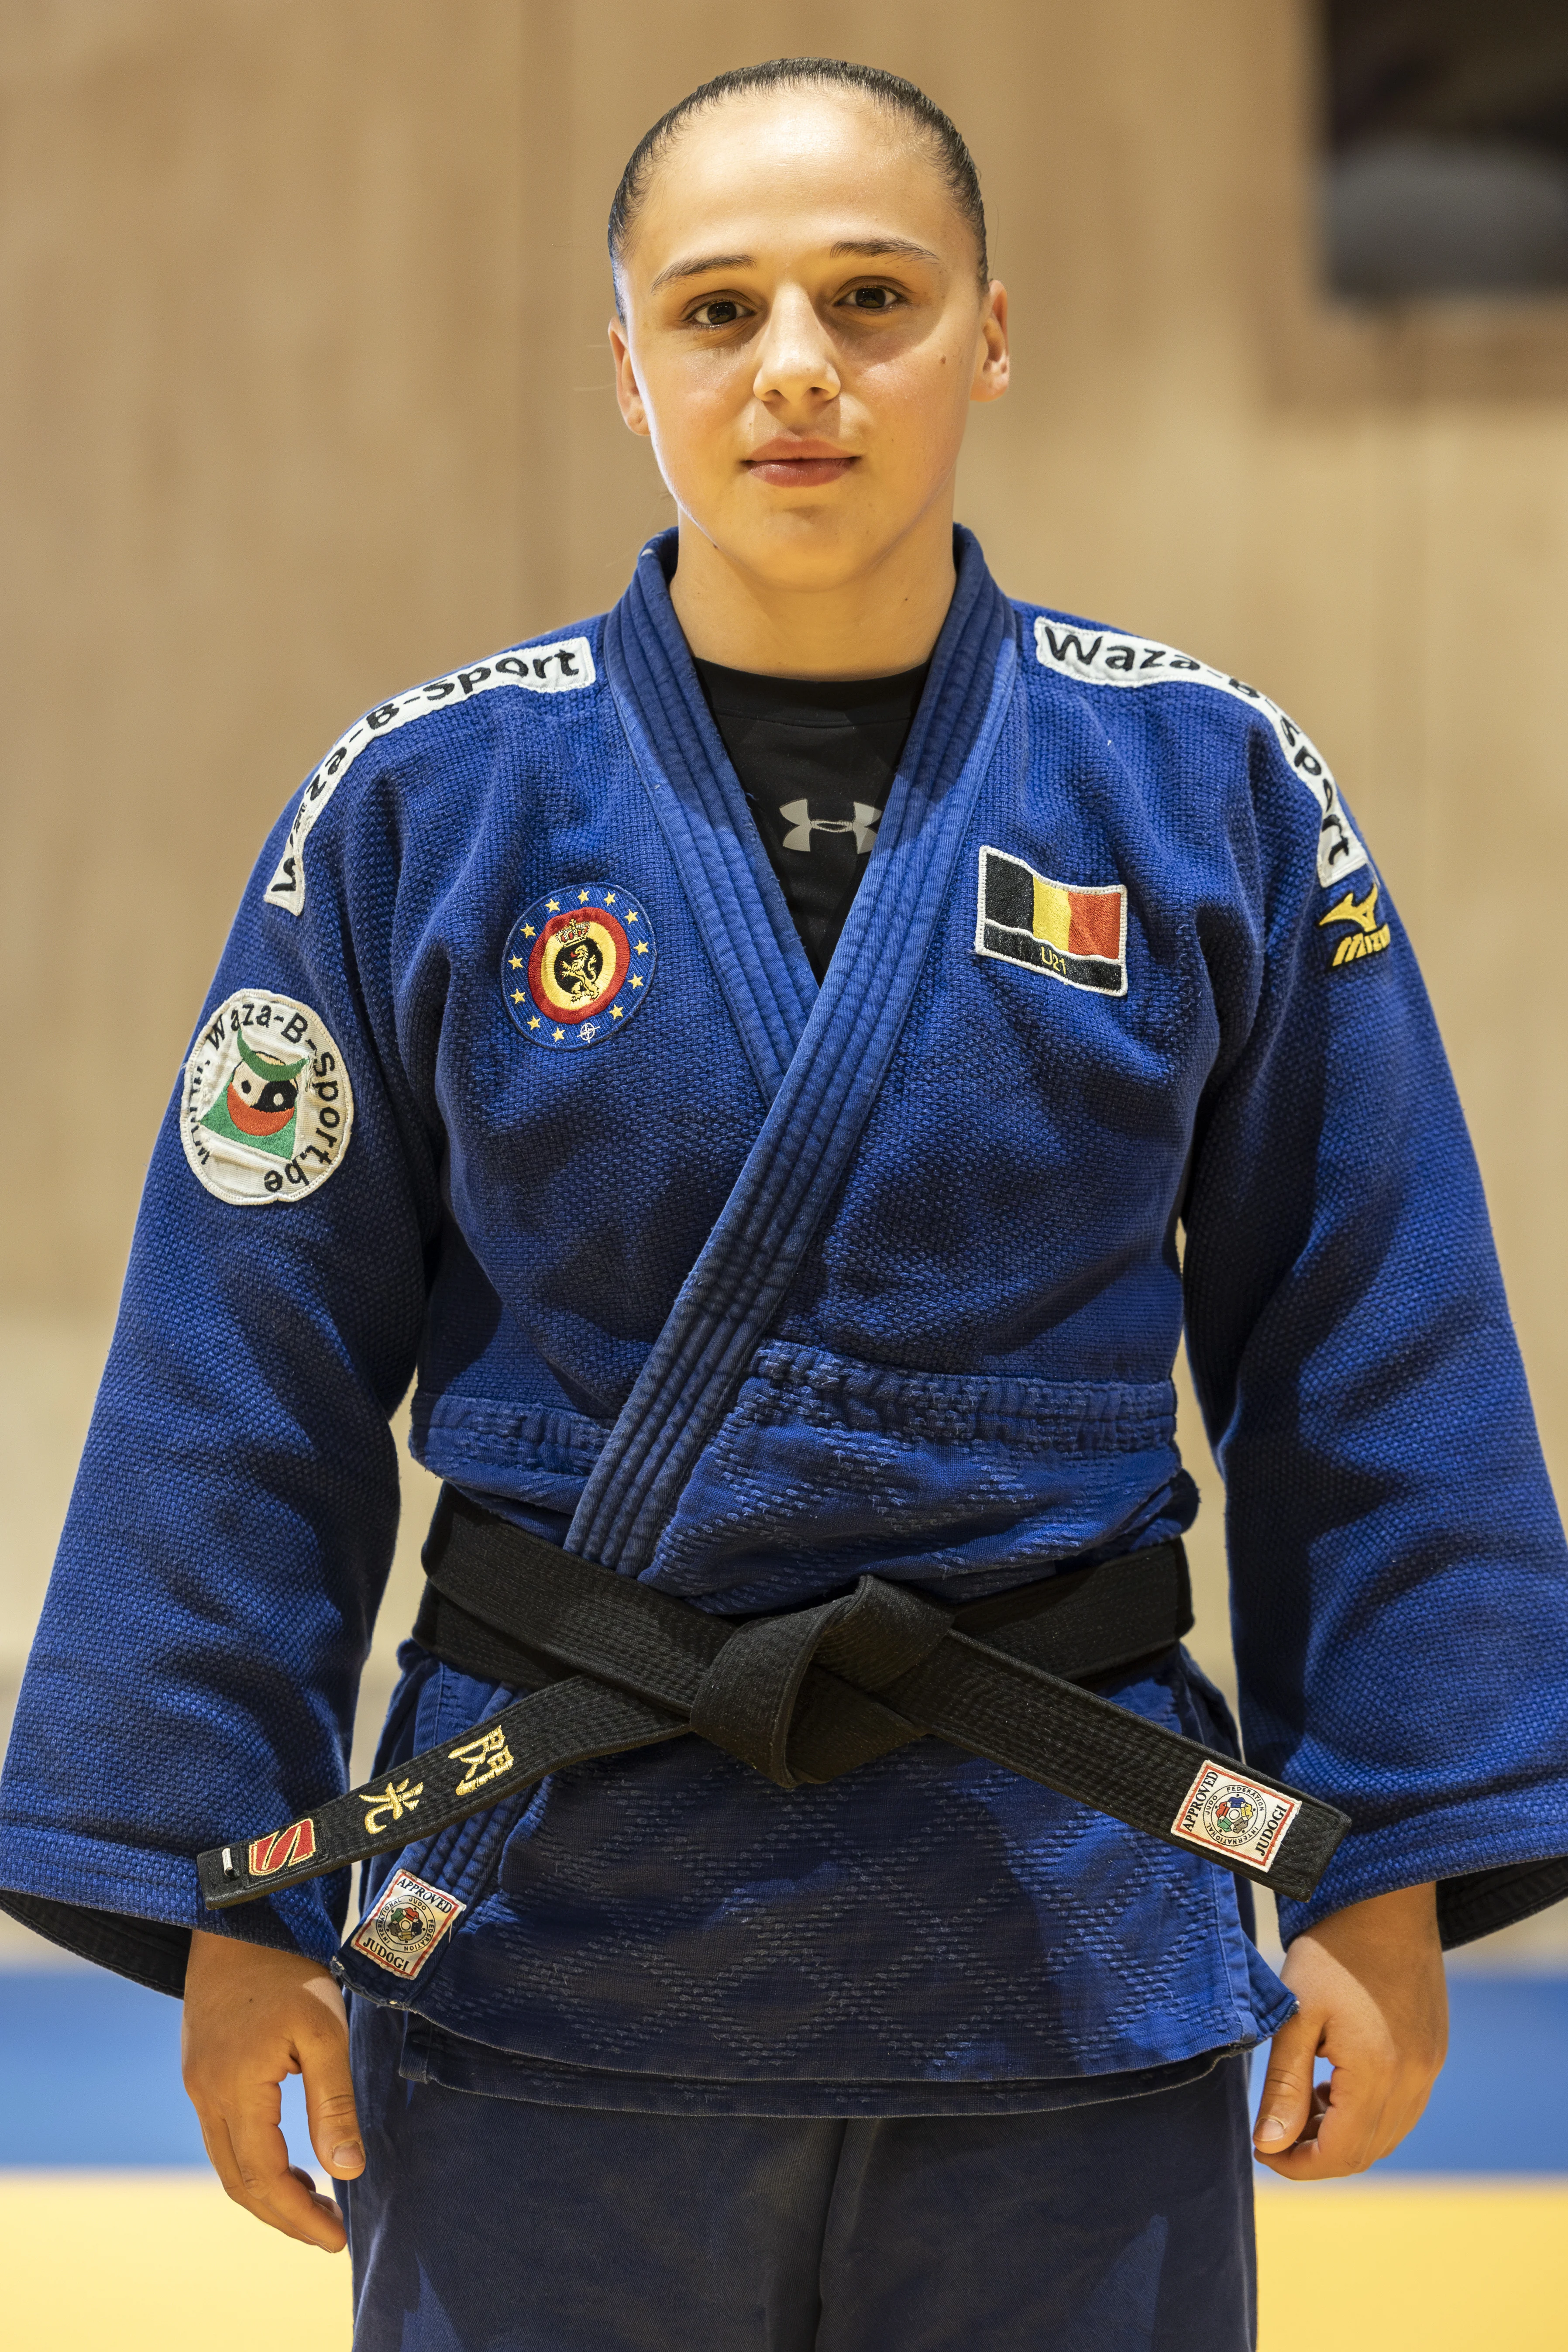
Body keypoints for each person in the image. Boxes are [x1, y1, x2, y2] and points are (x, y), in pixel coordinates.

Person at [3, 55, 1566, 2352]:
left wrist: (1397, 1856)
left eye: (871, 296)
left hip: (1059, 1920)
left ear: (991, 333)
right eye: (718, 310)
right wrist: (238, 1898)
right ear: (623, 366)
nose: (799, 368)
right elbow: (243, 1380)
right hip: (551, 1924)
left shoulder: (1201, 789)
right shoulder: (422, 807)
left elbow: (1373, 1344)